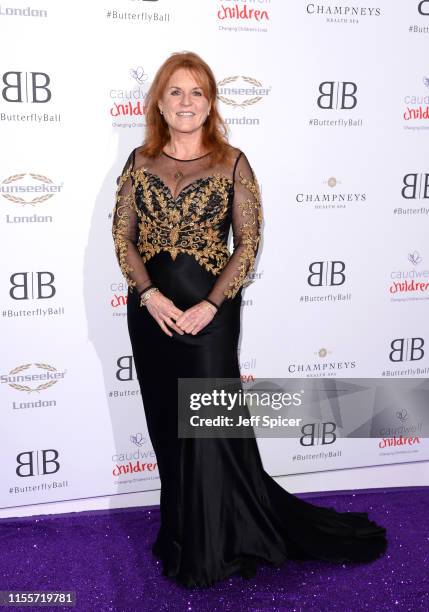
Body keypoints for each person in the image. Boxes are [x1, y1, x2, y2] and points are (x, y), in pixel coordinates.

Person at [112, 51, 387, 588]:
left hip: (210, 319)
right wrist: (149, 296)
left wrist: (211, 306)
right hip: (151, 317)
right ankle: (182, 532)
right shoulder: (138, 162)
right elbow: (123, 237)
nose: (186, 102)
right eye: (175, 92)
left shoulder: (232, 161)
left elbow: (248, 244)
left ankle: (221, 541)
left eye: (197, 92)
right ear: (159, 104)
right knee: (168, 424)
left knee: (210, 426)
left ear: (210, 102)